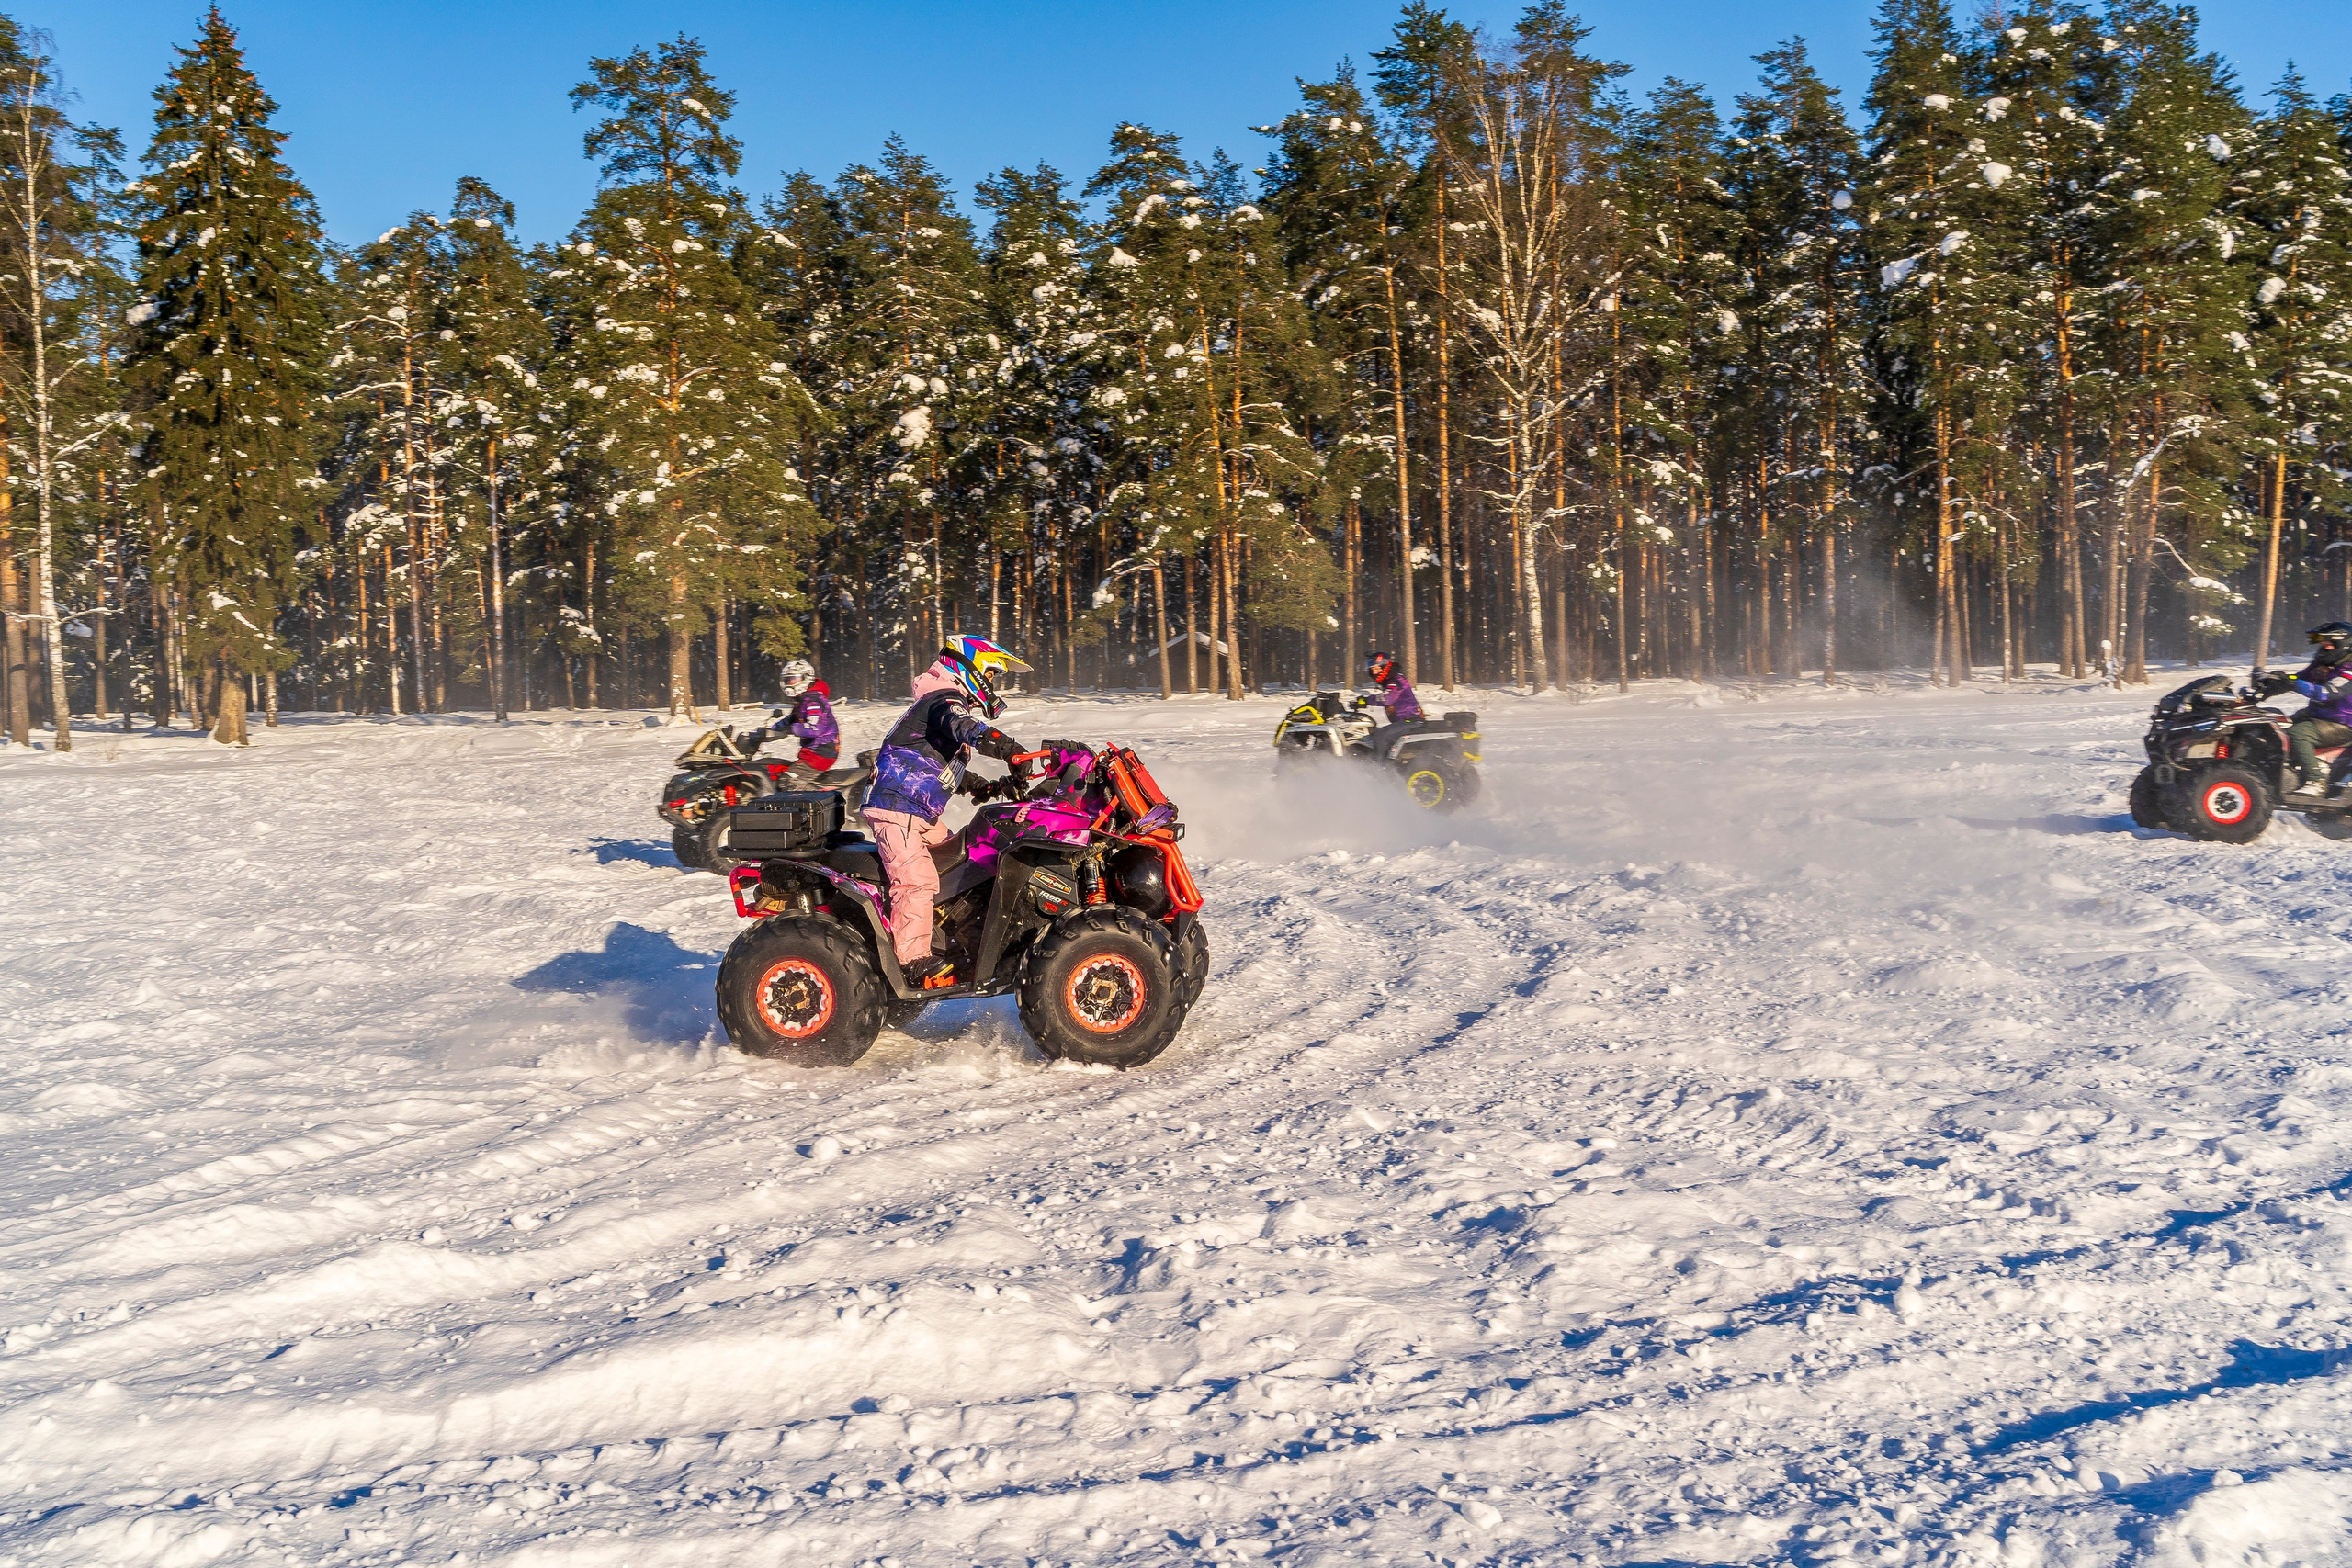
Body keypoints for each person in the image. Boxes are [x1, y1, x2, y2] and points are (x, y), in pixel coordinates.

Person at [863, 636, 1033, 987]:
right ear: (973, 668)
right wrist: (1008, 749)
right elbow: (966, 729)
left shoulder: (936, 704)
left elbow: (937, 766)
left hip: (917, 812)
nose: (994, 684)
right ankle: (913, 961)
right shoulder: (943, 700)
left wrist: (990, 787)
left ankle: (955, 936)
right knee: (917, 880)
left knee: (966, 863)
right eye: (993, 675)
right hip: (897, 810)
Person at [2256, 622, 2352, 802]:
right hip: (2318, 715)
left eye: (2328, 643)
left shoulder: (2349, 668)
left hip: (2343, 723)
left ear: (2344, 644)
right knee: (2275, 724)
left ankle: (2317, 781)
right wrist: (2275, 681)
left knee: (2299, 733)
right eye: (2322, 642)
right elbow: (2299, 678)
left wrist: (2294, 683)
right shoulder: (2323, 663)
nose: (2324, 646)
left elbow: (2328, 692)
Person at [760, 659, 840, 787]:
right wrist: (769, 731)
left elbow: (816, 728)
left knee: (789, 782)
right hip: (812, 753)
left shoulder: (813, 701)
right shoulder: (803, 700)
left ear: (806, 678)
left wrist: (794, 729)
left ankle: (816, 803)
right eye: (787, 680)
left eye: (793, 679)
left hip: (821, 753)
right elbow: (791, 720)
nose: (789, 684)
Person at [1357, 649, 1423, 757]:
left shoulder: (1396, 681)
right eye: (1372, 669)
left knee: (1381, 735)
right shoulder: (1390, 681)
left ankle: (1380, 768)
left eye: (1377, 668)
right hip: (1405, 721)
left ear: (1385, 667)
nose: (1374, 672)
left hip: (1412, 721)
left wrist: (1367, 700)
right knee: (1373, 734)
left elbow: (1387, 698)